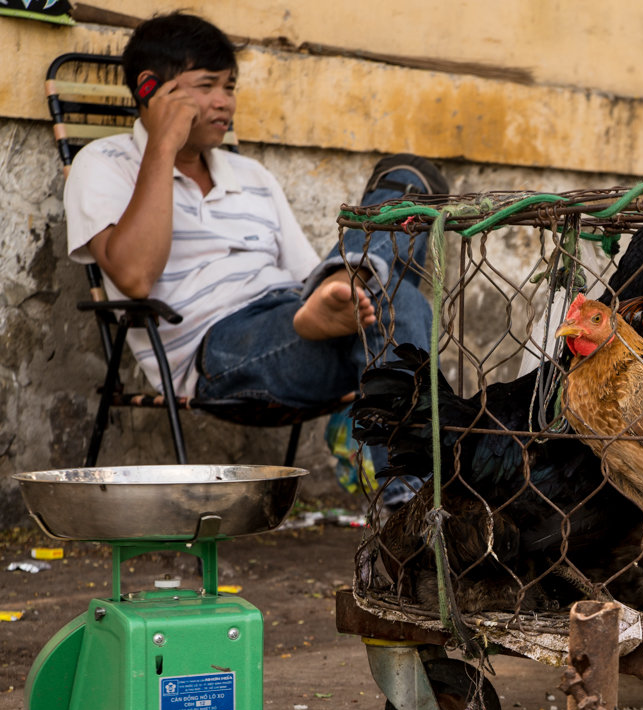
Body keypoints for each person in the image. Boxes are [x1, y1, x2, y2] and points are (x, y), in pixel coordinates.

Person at [63, 11, 443, 506]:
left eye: (231, 87)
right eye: (207, 86)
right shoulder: (103, 164)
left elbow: (304, 276)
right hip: (219, 350)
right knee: (399, 302)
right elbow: (135, 278)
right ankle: (423, 499)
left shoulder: (252, 174)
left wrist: (327, 292)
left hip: (296, 316)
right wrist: (162, 144)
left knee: (409, 184)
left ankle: (348, 283)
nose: (225, 102)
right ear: (152, 89)